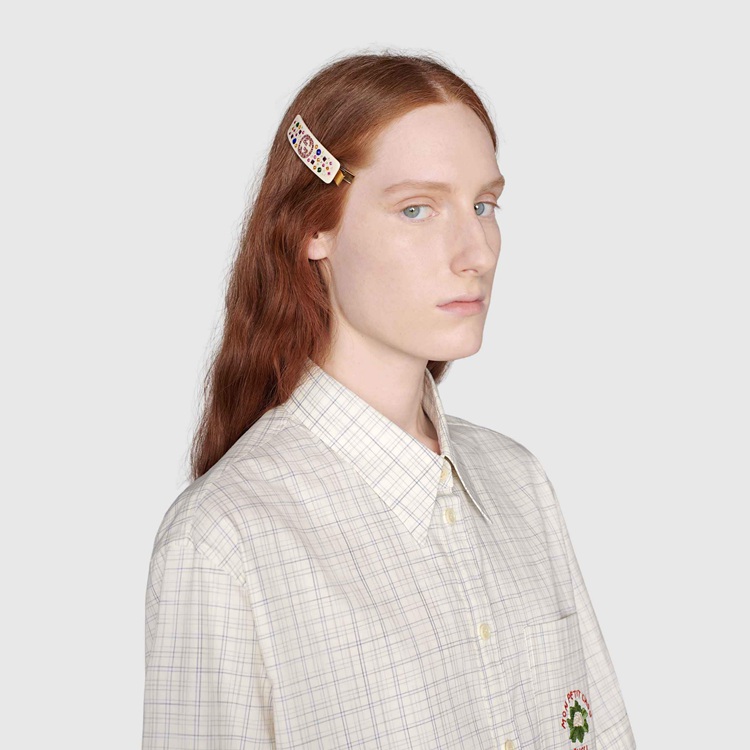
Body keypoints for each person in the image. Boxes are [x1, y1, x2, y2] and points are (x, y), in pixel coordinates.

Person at [141, 51, 637, 750]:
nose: (476, 252)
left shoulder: (518, 483)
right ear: (314, 229)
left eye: (484, 205)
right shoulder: (225, 540)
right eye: (416, 209)